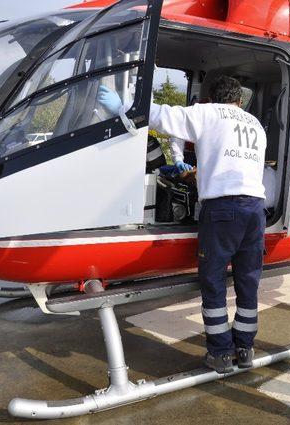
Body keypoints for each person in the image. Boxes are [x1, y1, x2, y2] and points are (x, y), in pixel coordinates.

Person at [101, 76, 267, 374]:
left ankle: (220, 354)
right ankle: (245, 348)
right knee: (248, 279)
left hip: (222, 207)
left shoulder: (207, 113)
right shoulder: (254, 123)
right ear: (239, 101)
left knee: (214, 280)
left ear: (210, 98)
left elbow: (162, 115)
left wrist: (122, 106)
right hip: (255, 209)